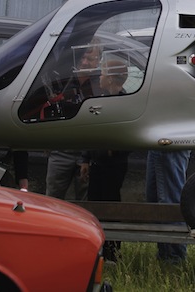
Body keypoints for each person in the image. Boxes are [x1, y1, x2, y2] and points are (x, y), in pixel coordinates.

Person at [80, 51, 131, 261]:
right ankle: (96, 249)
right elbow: (91, 133)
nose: (99, 77)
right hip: (97, 163)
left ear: (110, 78)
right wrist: (85, 159)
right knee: (94, 206)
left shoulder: (125, 103)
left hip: (114, 165)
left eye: (102, 73)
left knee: (110, 205)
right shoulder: (100, 100)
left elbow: (130, 134)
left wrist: (115, 149)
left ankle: (112, 251)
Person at [45, 42, 103, 200]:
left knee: (86, 201)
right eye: (82, 57)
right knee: (52, 199)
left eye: (90, 59)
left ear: (98, 60)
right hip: (61, 150)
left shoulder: (102, 82)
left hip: (90, 151)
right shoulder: (63, 80)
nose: (84, 62)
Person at [146, 148, 191, 262]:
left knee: (170, 200)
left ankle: (175, 256)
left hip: (171, 145)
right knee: (155, 199)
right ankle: (165, 253)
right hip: (157, 144)